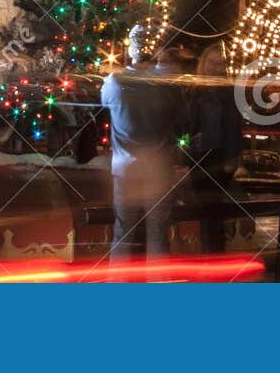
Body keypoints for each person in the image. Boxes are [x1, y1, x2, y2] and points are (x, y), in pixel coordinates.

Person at [101, 26, 181, 264]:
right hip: (159, 168)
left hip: (126, 169)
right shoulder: (166, 85)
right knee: (158, 234)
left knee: (123, 232)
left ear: (131, 50)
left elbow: (106, 105)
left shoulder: (115, 82)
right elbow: (181, 119)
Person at [190, 43, 243, 253]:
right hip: (198, 157)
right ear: (204, 63)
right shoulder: (194, 89)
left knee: (214, 211)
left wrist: (232, 157)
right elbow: (186, 124)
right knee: (204, 211)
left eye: (219, 63)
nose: (214, 67)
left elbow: (233, 126)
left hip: (219, 157)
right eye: (211, 62)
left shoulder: (228, 92)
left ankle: (214, 253)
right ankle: (210, 254)